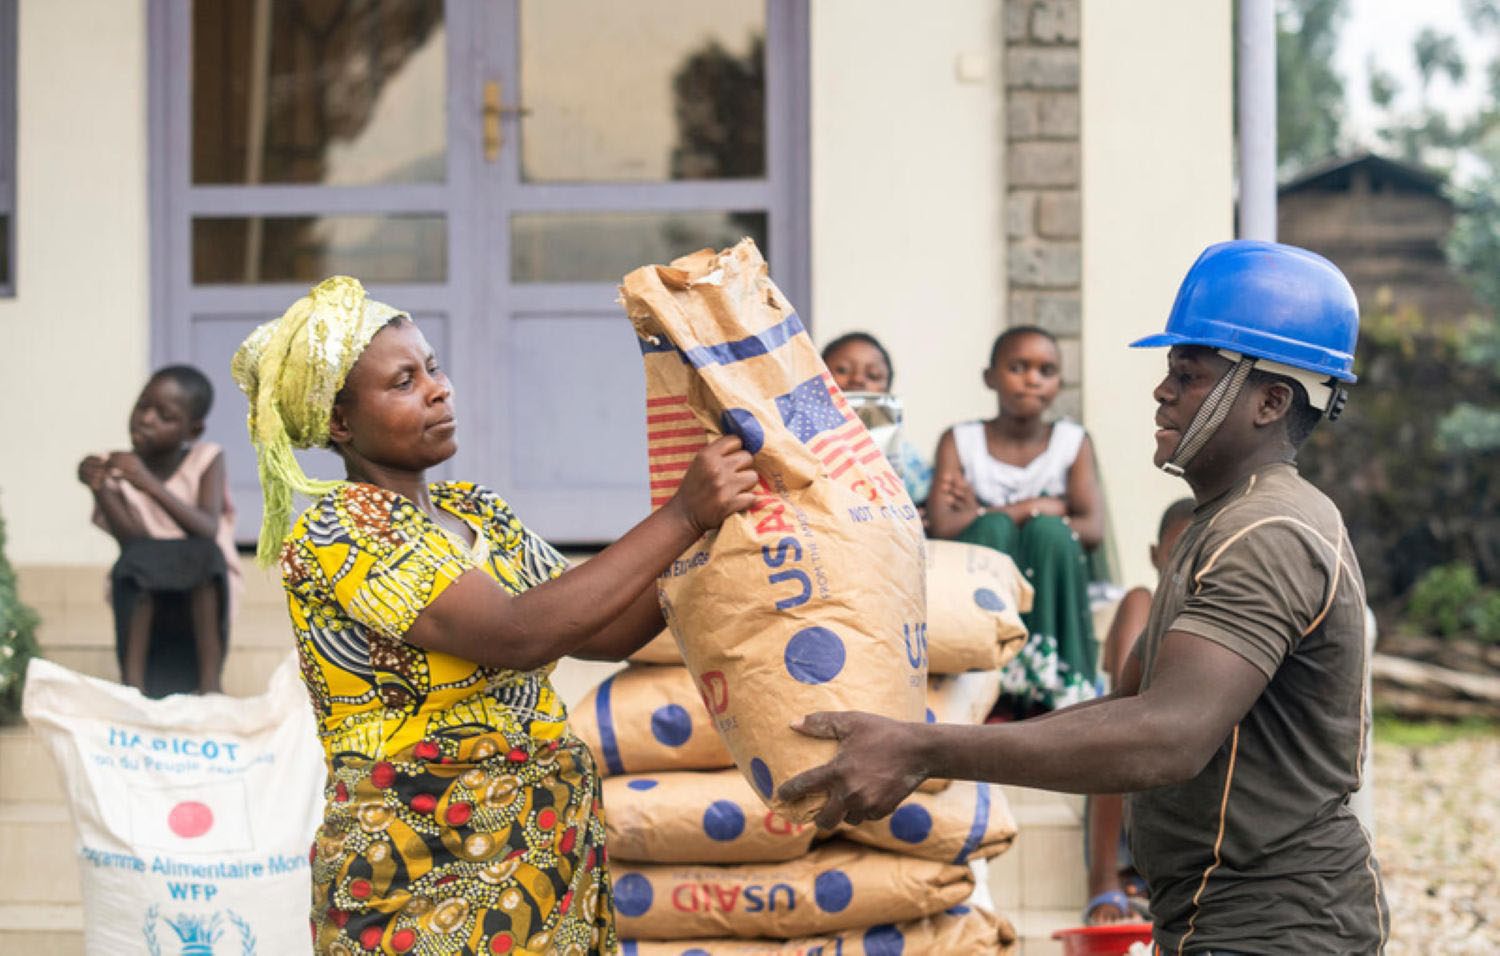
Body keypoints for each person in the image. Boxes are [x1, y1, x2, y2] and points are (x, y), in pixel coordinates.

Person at [778, 241, 1389, 954]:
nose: (1162, 392)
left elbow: (1166, 736)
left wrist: (925, 748)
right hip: (1220, 920)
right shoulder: (1222, 522)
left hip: (1281, 930)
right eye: (1169, 373)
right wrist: (929, 740)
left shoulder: (1266, 532)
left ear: (1271, 400)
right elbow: (1124, 711)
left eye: (1188, 376)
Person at [231, 276, 755, 955]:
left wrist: (718, 542)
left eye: (433, 367)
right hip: (420, 873)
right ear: (338, 423)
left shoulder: (478, 512)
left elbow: (602, 627)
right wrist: (683, 514)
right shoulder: (342, 529)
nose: (437, 388)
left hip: (540, 864)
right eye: (402, 382)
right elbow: (517, 634)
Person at [927, 325, 1105, 714]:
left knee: (1050, 533)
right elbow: (942, 527)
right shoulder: (960, 441)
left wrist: (981, 509)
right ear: (989, 377)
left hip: (1050, 576)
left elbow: (1091, 529)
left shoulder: (1072, 443)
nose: (1032, 380)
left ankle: (1056, 687)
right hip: (976, 590)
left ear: (1059, 383)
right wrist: (1029, 507)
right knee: (995, 529)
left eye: (1046, 370)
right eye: (1018, 367)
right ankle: (985, 676)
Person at [78, 365, 239, 697]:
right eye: (142, 406)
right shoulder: (114, 466)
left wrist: (147, 483)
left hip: (202, 594)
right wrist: (100, 488)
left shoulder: (205, 457)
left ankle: (211, 688)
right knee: (136, 559)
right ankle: (131, 689)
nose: (146, 419)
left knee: (204, 554)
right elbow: (131, 543)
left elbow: (206, 528)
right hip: (146, 595)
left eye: (164, 415)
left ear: (192, 430)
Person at [1084, 496, 1194, 925]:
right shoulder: (1141, 604)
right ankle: (1105, 879)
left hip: (1180, 787)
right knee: (1122, 739)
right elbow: (1129, 704)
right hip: (1125, 769)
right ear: (1154, 556)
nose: (1190, 569)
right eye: (1178, 554)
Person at [820, 331, 932, 504]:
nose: (857, 379)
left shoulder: (904, 454)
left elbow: (922, 498)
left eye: (873, 375)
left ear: (887, 390)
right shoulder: (798, 442)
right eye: (842, 370)